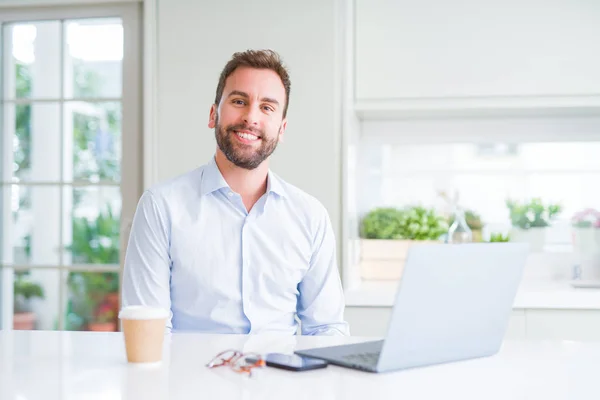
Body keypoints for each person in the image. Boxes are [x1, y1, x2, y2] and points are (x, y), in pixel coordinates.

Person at [122, 49, 349, 336]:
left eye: (267, 107)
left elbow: (326, 328)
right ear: (213, 114)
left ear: (282, 128)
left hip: (282, 379)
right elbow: (149, 331)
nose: (251, 117)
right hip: (190, 378)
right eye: (239, 101)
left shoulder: (310, 216)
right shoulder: (161, 207)